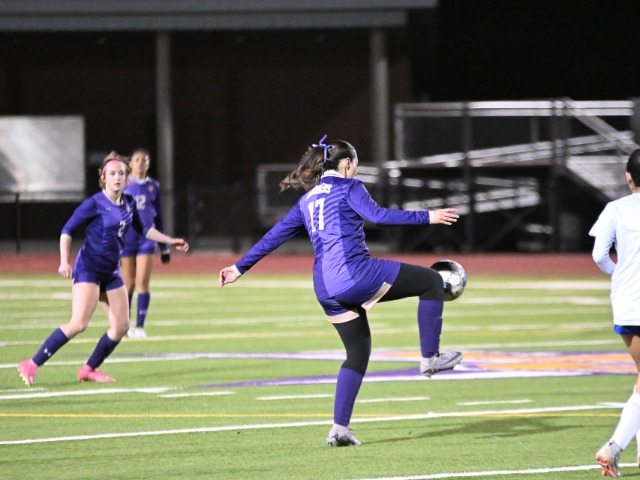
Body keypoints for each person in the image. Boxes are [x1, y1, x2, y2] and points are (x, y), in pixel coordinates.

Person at [219, 135, 462, 447]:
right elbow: (378, 216)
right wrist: (429, 216)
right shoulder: (349, 187)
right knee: (430, 281)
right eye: (355, 164)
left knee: (357, 354)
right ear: (346, 164)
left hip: (325, 289)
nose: (356, 169)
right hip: (354, 275)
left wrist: (239, 267)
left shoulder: (307, 200)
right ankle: (430, 358)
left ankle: (339, 429)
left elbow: (274, 236)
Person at [17, 152, 189, 386]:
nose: (117, 177)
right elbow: (66, 231)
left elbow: (144, 229)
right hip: (89, 269)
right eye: (112, 174)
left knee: (121, 326)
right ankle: (31, 364)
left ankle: (88, 369)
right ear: (103, 178)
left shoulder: (129, 202)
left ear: (127, 178)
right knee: (79, 323)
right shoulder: (94, 203)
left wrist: (169, 241)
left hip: (111, 272)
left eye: (121, 173)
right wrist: (64, 261)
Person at [591, 149, 640, 477]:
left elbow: (599, 255)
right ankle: (613, 447)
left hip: (626, 303)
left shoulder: (615, 208)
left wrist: (620, 276)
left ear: (628, 177)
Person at [121, 148, 170, 339]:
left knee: (142, 282)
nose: (141, 163)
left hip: (147, 240)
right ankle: (124, 325)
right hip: (127, 239)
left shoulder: (153, 186)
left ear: (148, 164)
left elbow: (160, 217)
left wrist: (164, 247)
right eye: (137, 159)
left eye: (144, 160)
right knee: (128, 284)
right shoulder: (123, 184)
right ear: (130, 164)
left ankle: (140, 326)